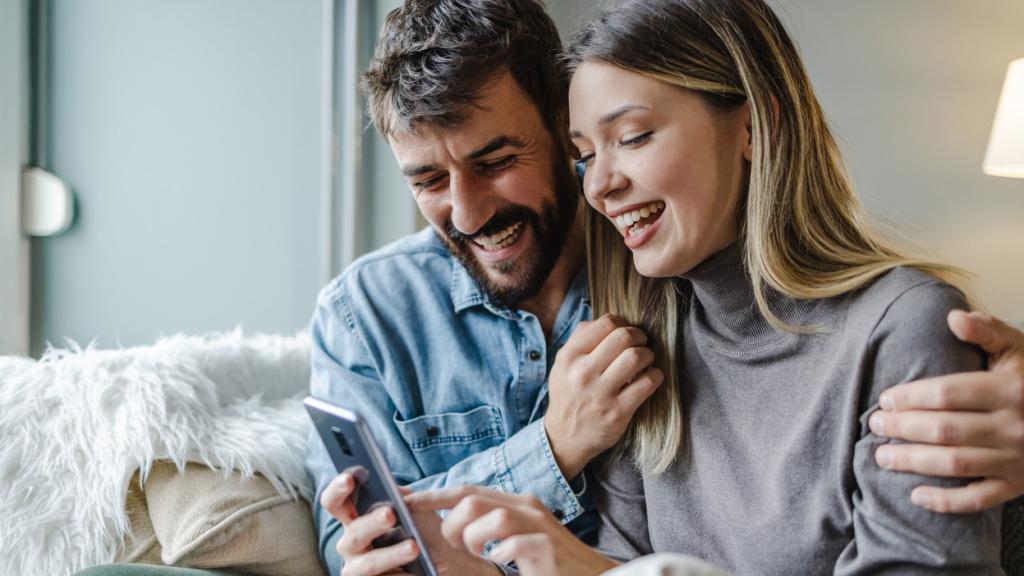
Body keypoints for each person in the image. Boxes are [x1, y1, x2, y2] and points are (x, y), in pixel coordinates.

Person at [307, 1, 1024, 575]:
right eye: (588, 154)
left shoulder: (899, 327)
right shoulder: (645, 333)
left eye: (634, 137)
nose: (603, 184)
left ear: (755, 124)